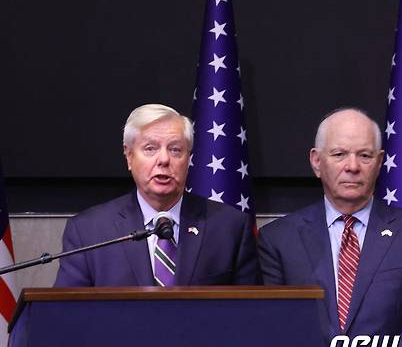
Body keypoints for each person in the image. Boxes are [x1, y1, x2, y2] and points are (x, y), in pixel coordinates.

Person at [257, 108, 402, 347]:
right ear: (316, 161)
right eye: (339, 154)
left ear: (380, 161)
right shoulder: (277, 239)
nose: (352, 166)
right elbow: (271, 328)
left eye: (364, 155)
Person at [55, 103, 260, 287]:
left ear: (189, 159)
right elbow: (68, 315)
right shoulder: (88, 231)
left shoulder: (230, 227)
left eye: (175, 150)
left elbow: (249, 315)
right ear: (129, 156)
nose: (163, 159)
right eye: (150, 148)